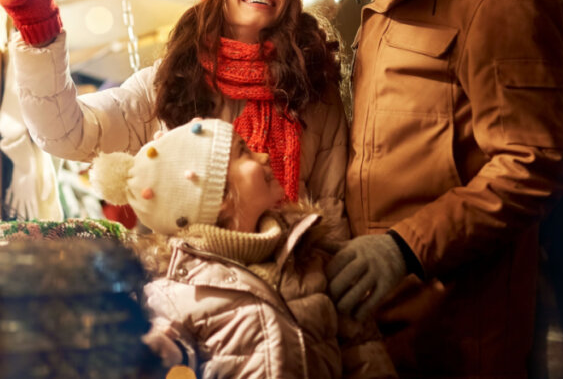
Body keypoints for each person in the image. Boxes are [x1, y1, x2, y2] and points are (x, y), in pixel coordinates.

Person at [323, 0, 563, 376]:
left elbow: (532, 162)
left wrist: (404, 247)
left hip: (459, 332)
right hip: (382, 322)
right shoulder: (388, 1)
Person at [0, 0, 349, 232]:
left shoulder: (313, 88)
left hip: (290, 285)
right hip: (188, 283)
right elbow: (69, 135)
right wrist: (40, 32)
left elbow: (332, 205)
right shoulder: (170, 81)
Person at [89, 117, 397, 378]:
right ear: (219, 197)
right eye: (244, 152)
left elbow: (363, 354)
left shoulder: (307, 254)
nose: (262, 155)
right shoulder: (174, 298)